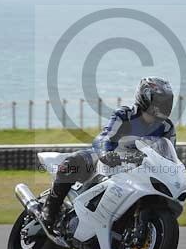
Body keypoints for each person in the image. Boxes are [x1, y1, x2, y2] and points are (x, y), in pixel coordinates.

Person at [41, 77, 176, 230]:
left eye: (166, 102)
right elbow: (104, 137)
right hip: (110, 160)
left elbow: (169, 156)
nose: (163, 106)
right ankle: (49, 209)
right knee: (73, 162)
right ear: (145, 98)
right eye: (160, 102)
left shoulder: (166, 128)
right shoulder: (125, 115)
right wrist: (105, 153)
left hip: (139, 170)